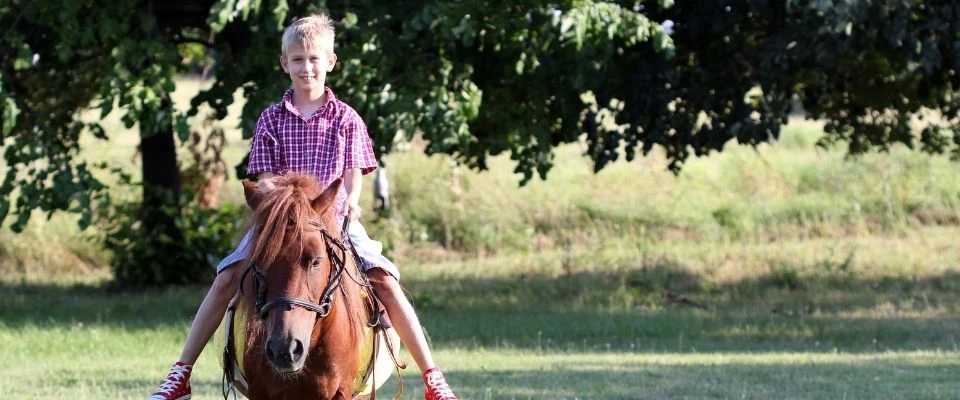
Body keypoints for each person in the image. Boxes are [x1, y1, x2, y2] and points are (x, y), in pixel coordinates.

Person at [147, 13, 458, 400]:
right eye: (297, 60)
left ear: (329, 61)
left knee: (385, 280)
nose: (306, 67)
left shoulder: (347, 119)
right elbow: (263, 178)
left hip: (333, 219)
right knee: (226, 278)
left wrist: (353, 204)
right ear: (284, 64)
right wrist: (276, 204)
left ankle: (432, 378)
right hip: (282, 222)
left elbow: (353, 172)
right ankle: (180, 374)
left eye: (314, 59)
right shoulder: (270, 120)